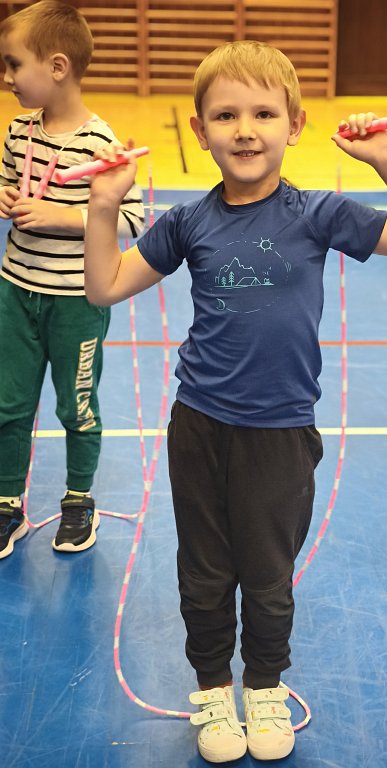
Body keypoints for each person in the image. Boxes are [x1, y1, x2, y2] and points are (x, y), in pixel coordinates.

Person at [83, 40, 387, 762]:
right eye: (225, 116)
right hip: (199, 426)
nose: (245, 130)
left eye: (263, 114)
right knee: (204, 571)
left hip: (279, 433)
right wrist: (101, 208)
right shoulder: (187, 222)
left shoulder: (317, 213)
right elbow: (104, 287)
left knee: (268, 576)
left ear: (295, 124)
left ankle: (265, 687)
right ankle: (214, 691)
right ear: (199, 131)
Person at [0, 0, 145, 560]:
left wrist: (63, 217)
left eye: (15, 65)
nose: (8, 77)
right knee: (9, 404)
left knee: (77, 407)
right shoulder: (18, 131)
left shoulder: (100, 144)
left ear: (57, 67)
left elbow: (132, 220)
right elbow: (8, 183)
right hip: (15, 292)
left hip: (76, 301)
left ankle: (79, 501)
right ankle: (7, 505)